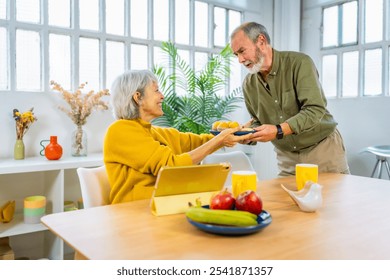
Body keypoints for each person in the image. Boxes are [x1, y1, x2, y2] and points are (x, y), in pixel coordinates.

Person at [104, 69, 251, 203]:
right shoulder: (120, 130)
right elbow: (170, 167)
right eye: (156, 91)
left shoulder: (155, 132)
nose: (162, 96)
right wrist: (220, 140)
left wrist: (231, 132)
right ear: (138, 97)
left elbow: (198, 142)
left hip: (163, 206)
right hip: (132, 213)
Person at [230, 22, 350, 176]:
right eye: (236, 55)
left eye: (242, 51)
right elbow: (258, 121)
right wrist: (245, 135)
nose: (240, 60)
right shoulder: (248, 84)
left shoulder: (299, 63)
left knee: (336, 200)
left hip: (322, 151)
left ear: (261, 41)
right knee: (284, 201)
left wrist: (278, 130)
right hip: (287, 159)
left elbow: (315, 109)